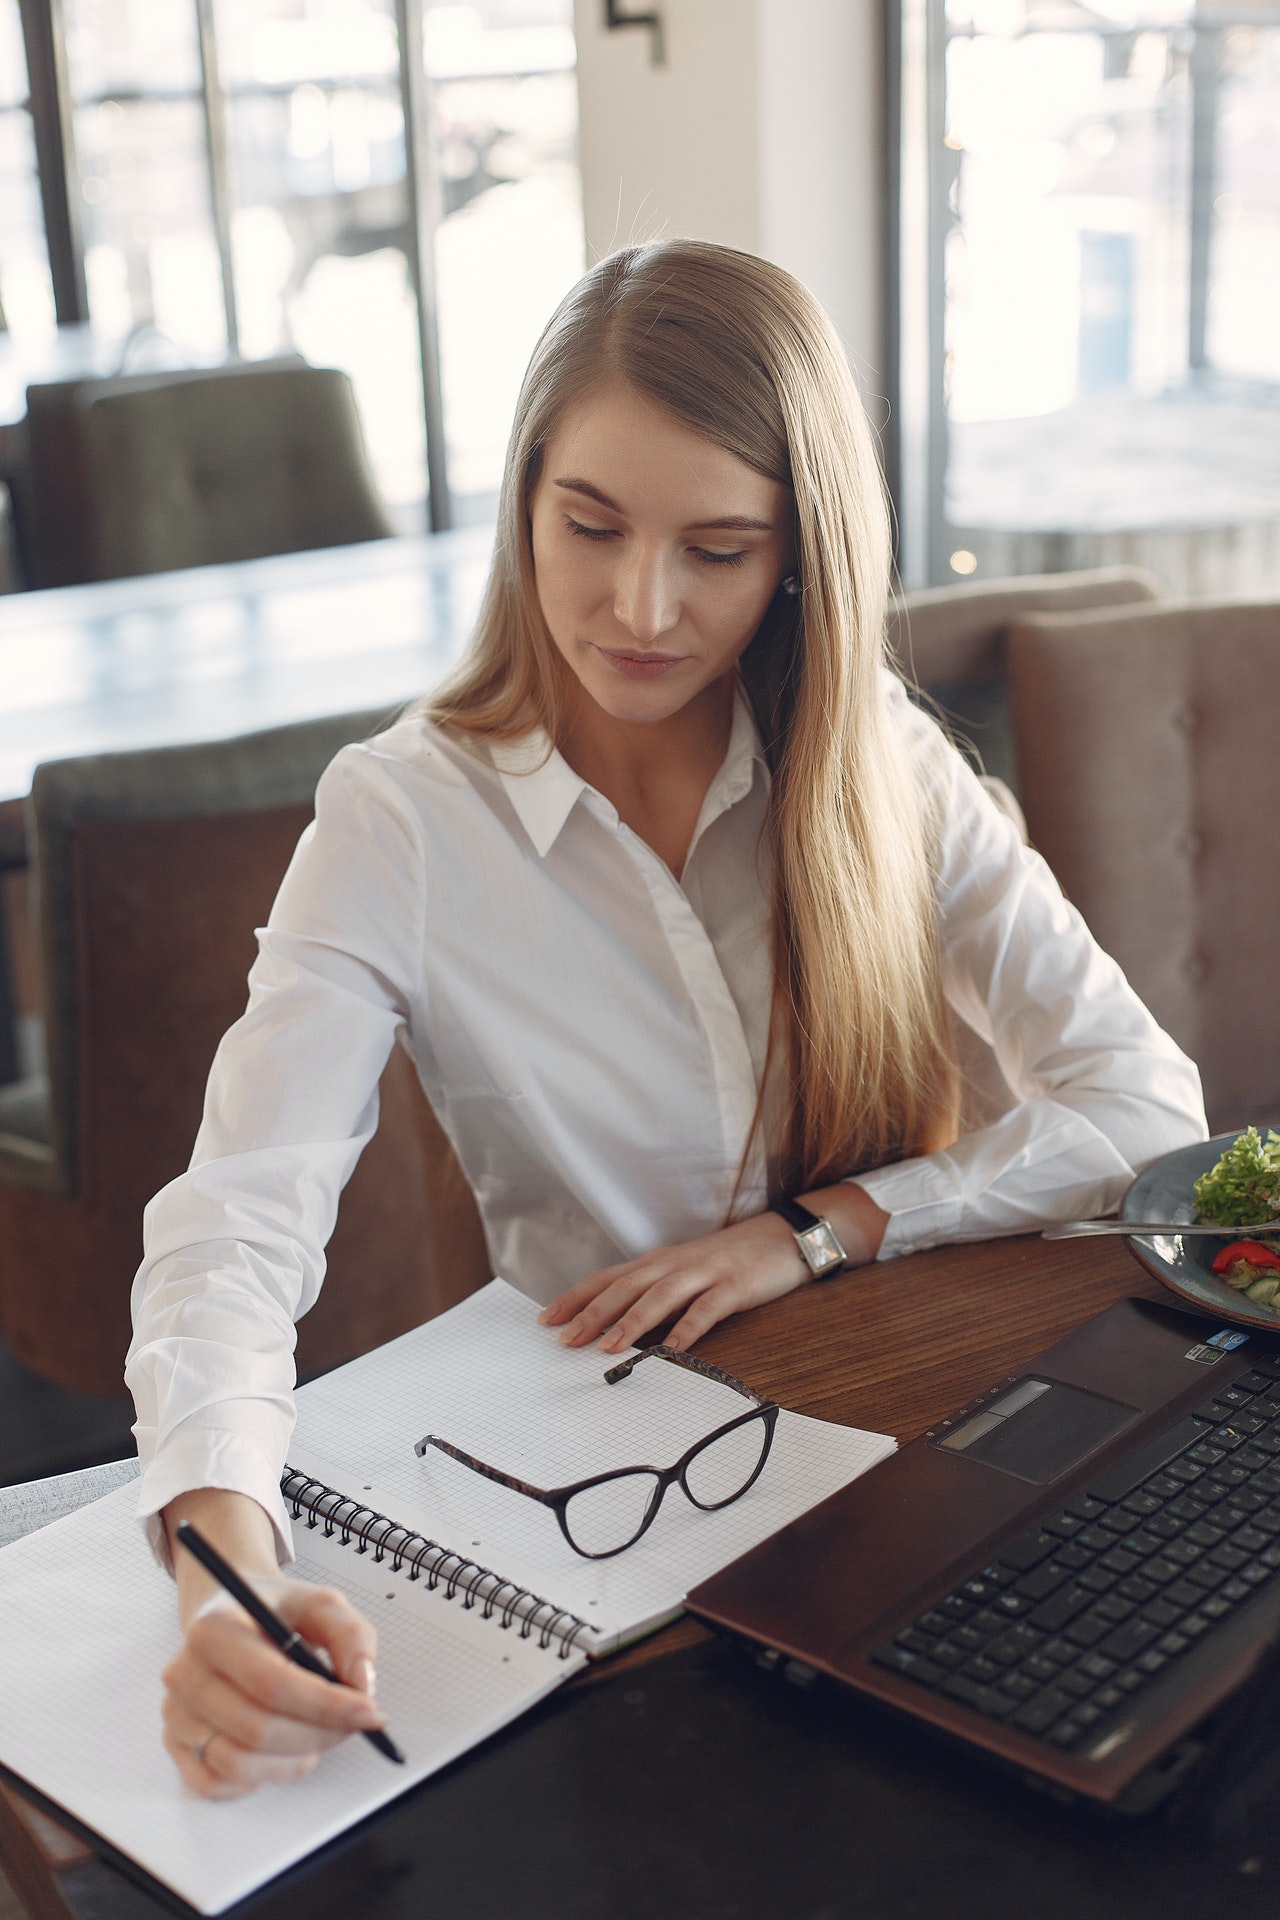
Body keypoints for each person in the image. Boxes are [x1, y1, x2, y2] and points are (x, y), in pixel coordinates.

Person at [126, 240, 1207, 1798]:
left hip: (916, 1430)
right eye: (592, 526)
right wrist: (222, 1560)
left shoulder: (873, 758)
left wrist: (821, 1229)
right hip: (613, 1497)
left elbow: (1145, 1106)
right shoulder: (399, 823)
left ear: (797, 562)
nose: (640, 607)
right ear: (526, 501)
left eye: (719, 548)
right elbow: (233, 1229)